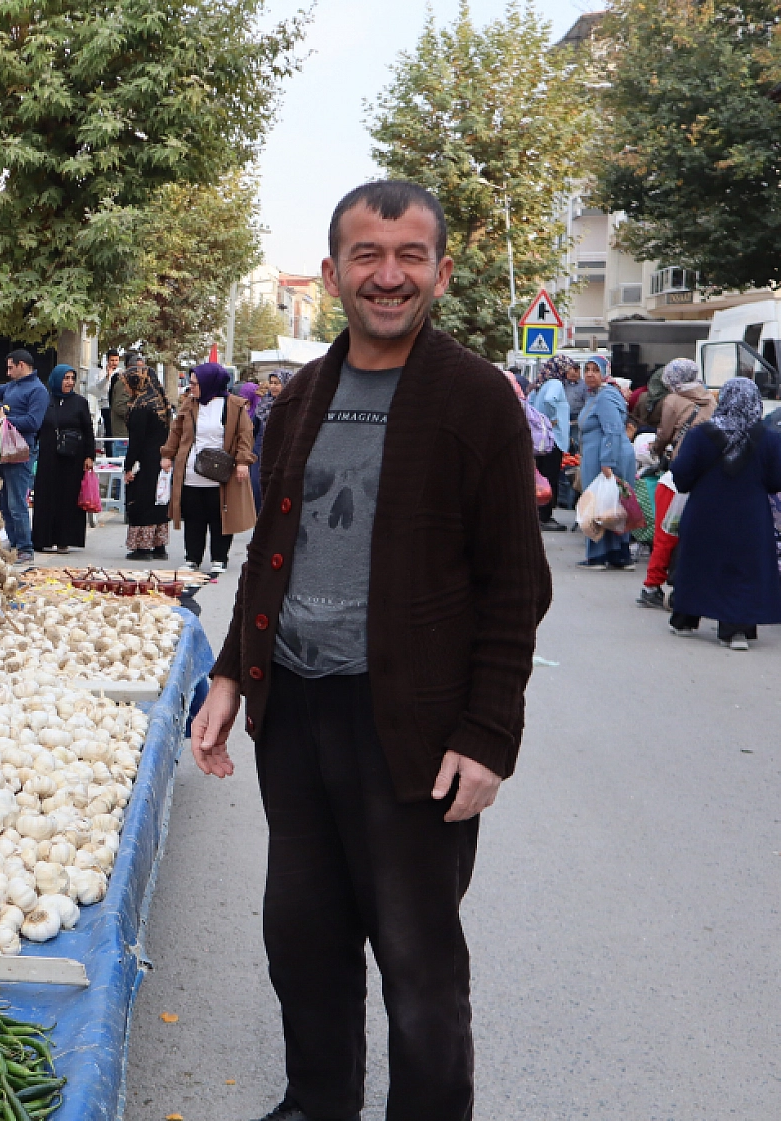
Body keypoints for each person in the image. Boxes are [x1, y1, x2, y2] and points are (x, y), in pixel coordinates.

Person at [189, 181, 552, 1121]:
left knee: (417, 958)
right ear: (332, 273)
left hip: (413, 729)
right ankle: (318, 1102)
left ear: (441, 272)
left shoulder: (476, 400)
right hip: (295, 715)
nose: (388, 276)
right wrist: (229, 672)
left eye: (409, 257)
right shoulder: (303, 395)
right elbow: (272, 554)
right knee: (302, 938)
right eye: (367, 256)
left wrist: (487, 734)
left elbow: (517, 587)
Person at [664, 377, 781, 648]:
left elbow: (681, 474)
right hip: (750, 517)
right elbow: (776, 480)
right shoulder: (769, 439)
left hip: (704, 514)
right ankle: (735, 630)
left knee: (698, 563)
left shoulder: (700, 435)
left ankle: (685, 619)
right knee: (742, 570)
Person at [161, 363, 255, 575]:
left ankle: (219, 558)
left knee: (220, 516)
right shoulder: (189, 404)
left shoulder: (234, 405)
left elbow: (245, 435)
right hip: (192, 471)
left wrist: (242, 461)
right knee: (193, 517)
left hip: (221, 472)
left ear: (210, 383)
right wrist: (167, 454)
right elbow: (176, 431)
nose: (191, 387)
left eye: (196, 383)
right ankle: (192, 558)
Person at [638, 360, 714, 607]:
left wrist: (656, 449)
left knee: (666, 535)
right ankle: (684, 587)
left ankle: (652, 586)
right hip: (704, 478)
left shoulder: (672, 400)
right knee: (694, 537)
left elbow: (664, 434)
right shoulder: (711, 400)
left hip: (677, 477)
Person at [0, 350, 49, 563]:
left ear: (22, 365)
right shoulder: (13, 386)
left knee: (16, 504)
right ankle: (13, 545)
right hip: (2, 451)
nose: (8, 372)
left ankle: (25, 548)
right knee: (3, 503)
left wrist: (6, 419)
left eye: (10, 367)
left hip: (20, 452)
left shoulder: (38, 390)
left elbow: (33, 422)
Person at [576, 355, 638, 571]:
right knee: (610, 504)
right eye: (587, 370)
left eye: (595, 370)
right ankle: (616, 554)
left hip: (606, 458)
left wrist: (607, 462)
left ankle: (600, 555)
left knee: (602, 504)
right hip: (603, 456)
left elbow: (612, 430)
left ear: (605, 373)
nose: (590, 374)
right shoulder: (597, 395)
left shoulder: (605, 396)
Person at [31, 364, 94, 553]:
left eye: (72, 378)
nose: (70, 382)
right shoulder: (45, 401)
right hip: (48, 457)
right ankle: (42, 539)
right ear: (56, 379)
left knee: (68, 498)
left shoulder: (80, 403)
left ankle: (64, 540)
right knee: (46, 496)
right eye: (66, 378)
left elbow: (88, 431)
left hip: (72, 459)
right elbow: (36, 427)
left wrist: (89, 456)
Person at [120, 366, 172, 561]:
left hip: (144, 462)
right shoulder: (160, 403)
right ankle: (159, 546)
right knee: (158, 500)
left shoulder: (140, 406)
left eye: (126, 384)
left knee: (141, 501)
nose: (125, 388)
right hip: (160, 460)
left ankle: (143, 547)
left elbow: (136, 441)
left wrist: (128, 466)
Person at [528, 355, 574, 531]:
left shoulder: (541, 384)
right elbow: (549, 400)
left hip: (541, 439)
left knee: (541, 477)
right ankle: (545, 517)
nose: (570, 371)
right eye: (567, 368)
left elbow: (530, 403)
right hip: (553, 439)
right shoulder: (555, 384)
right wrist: (552, 418)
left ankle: (538, 515)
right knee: (549, 477)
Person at [236, 380, 265, 509]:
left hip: (259, 454)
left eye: (247, 400)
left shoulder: (260, 411)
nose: (245, 403)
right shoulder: (242, 412)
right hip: (250, 454)